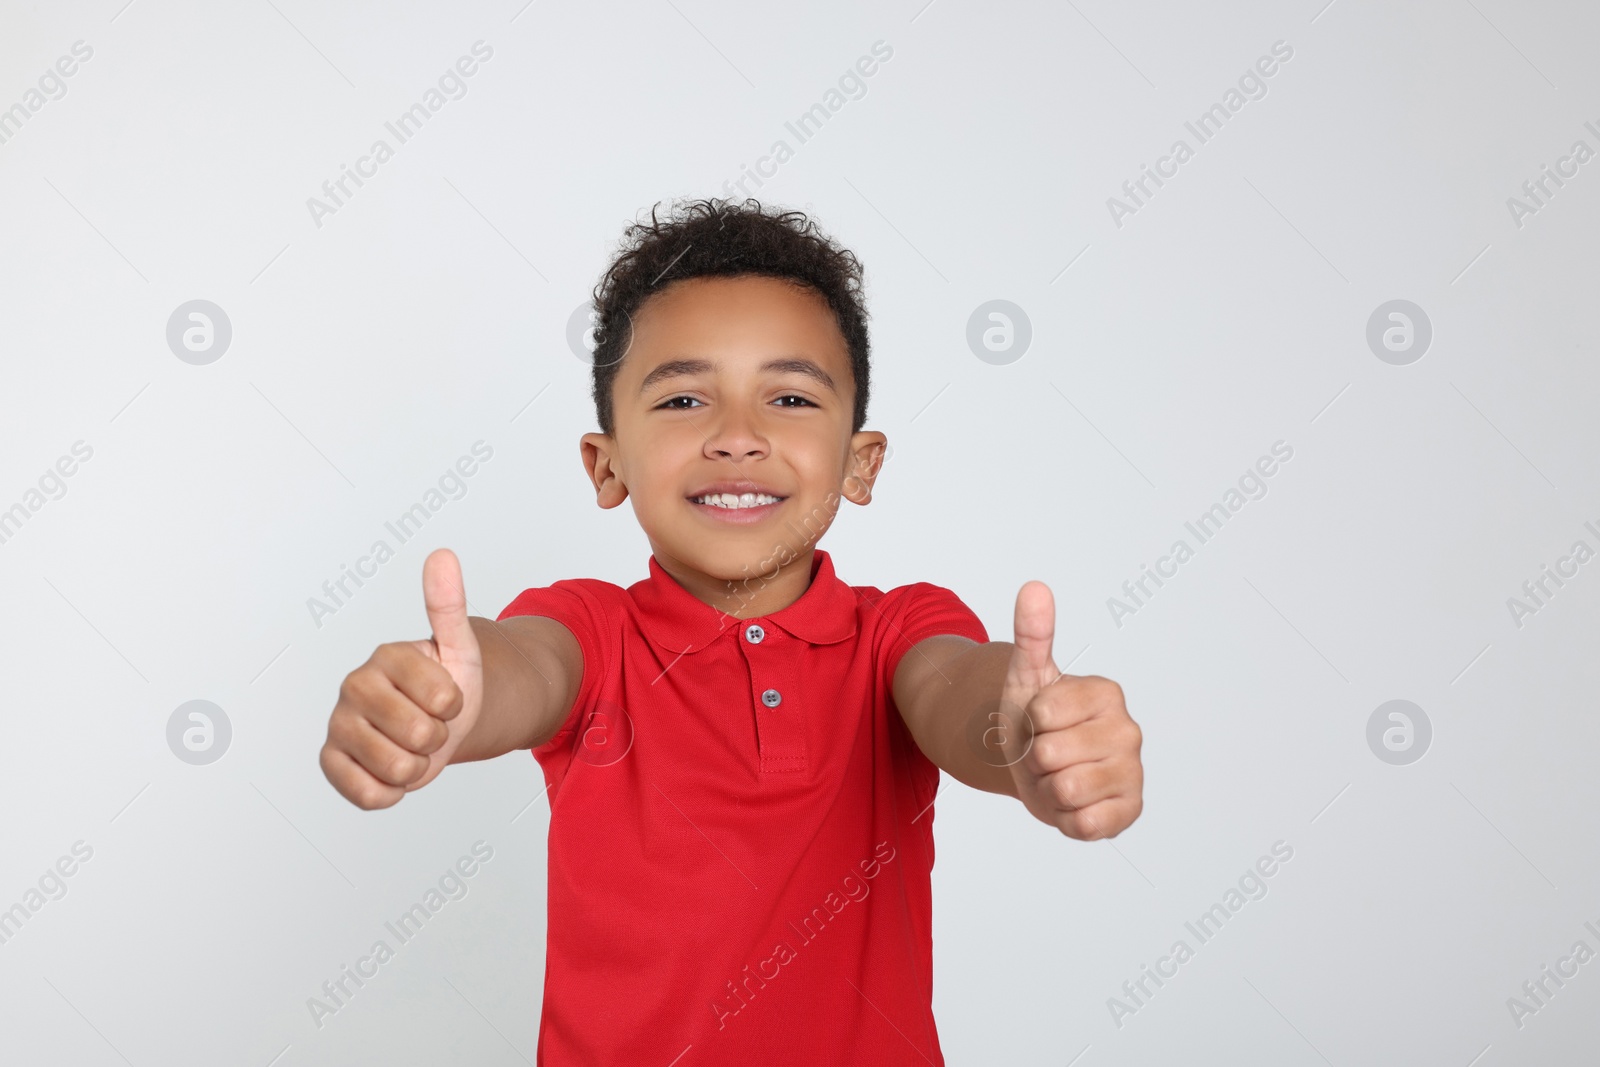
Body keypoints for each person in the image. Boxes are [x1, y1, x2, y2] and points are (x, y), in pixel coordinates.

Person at [319, 197, 1144, 1064]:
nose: (738, 438)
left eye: (788, 396)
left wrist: (1028, 739)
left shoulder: (900, 631)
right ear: (608, 466)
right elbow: (522, 667)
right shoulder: (593, 632)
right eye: (682, 399)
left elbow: (963, 691)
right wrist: (447, 698)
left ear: (860, 464)